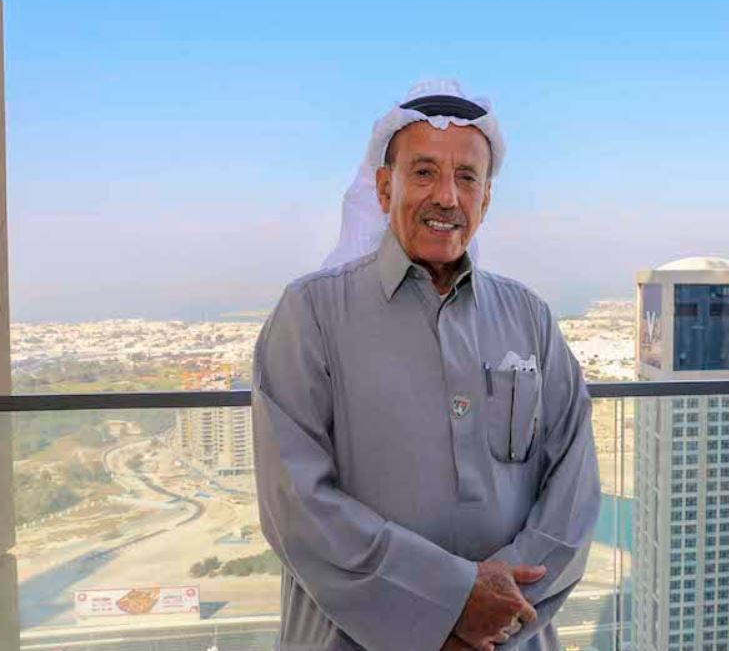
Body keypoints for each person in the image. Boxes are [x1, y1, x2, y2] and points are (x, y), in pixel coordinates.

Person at [252, 79, 602, 651]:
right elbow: (296, 506)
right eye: (423, 173)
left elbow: (574, 491)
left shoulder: (529, 317)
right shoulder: (311, 313)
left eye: (466, 177)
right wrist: (450, 608)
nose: (446, 197)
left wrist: (495, 617)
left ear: (486, 199)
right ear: (383, 187)